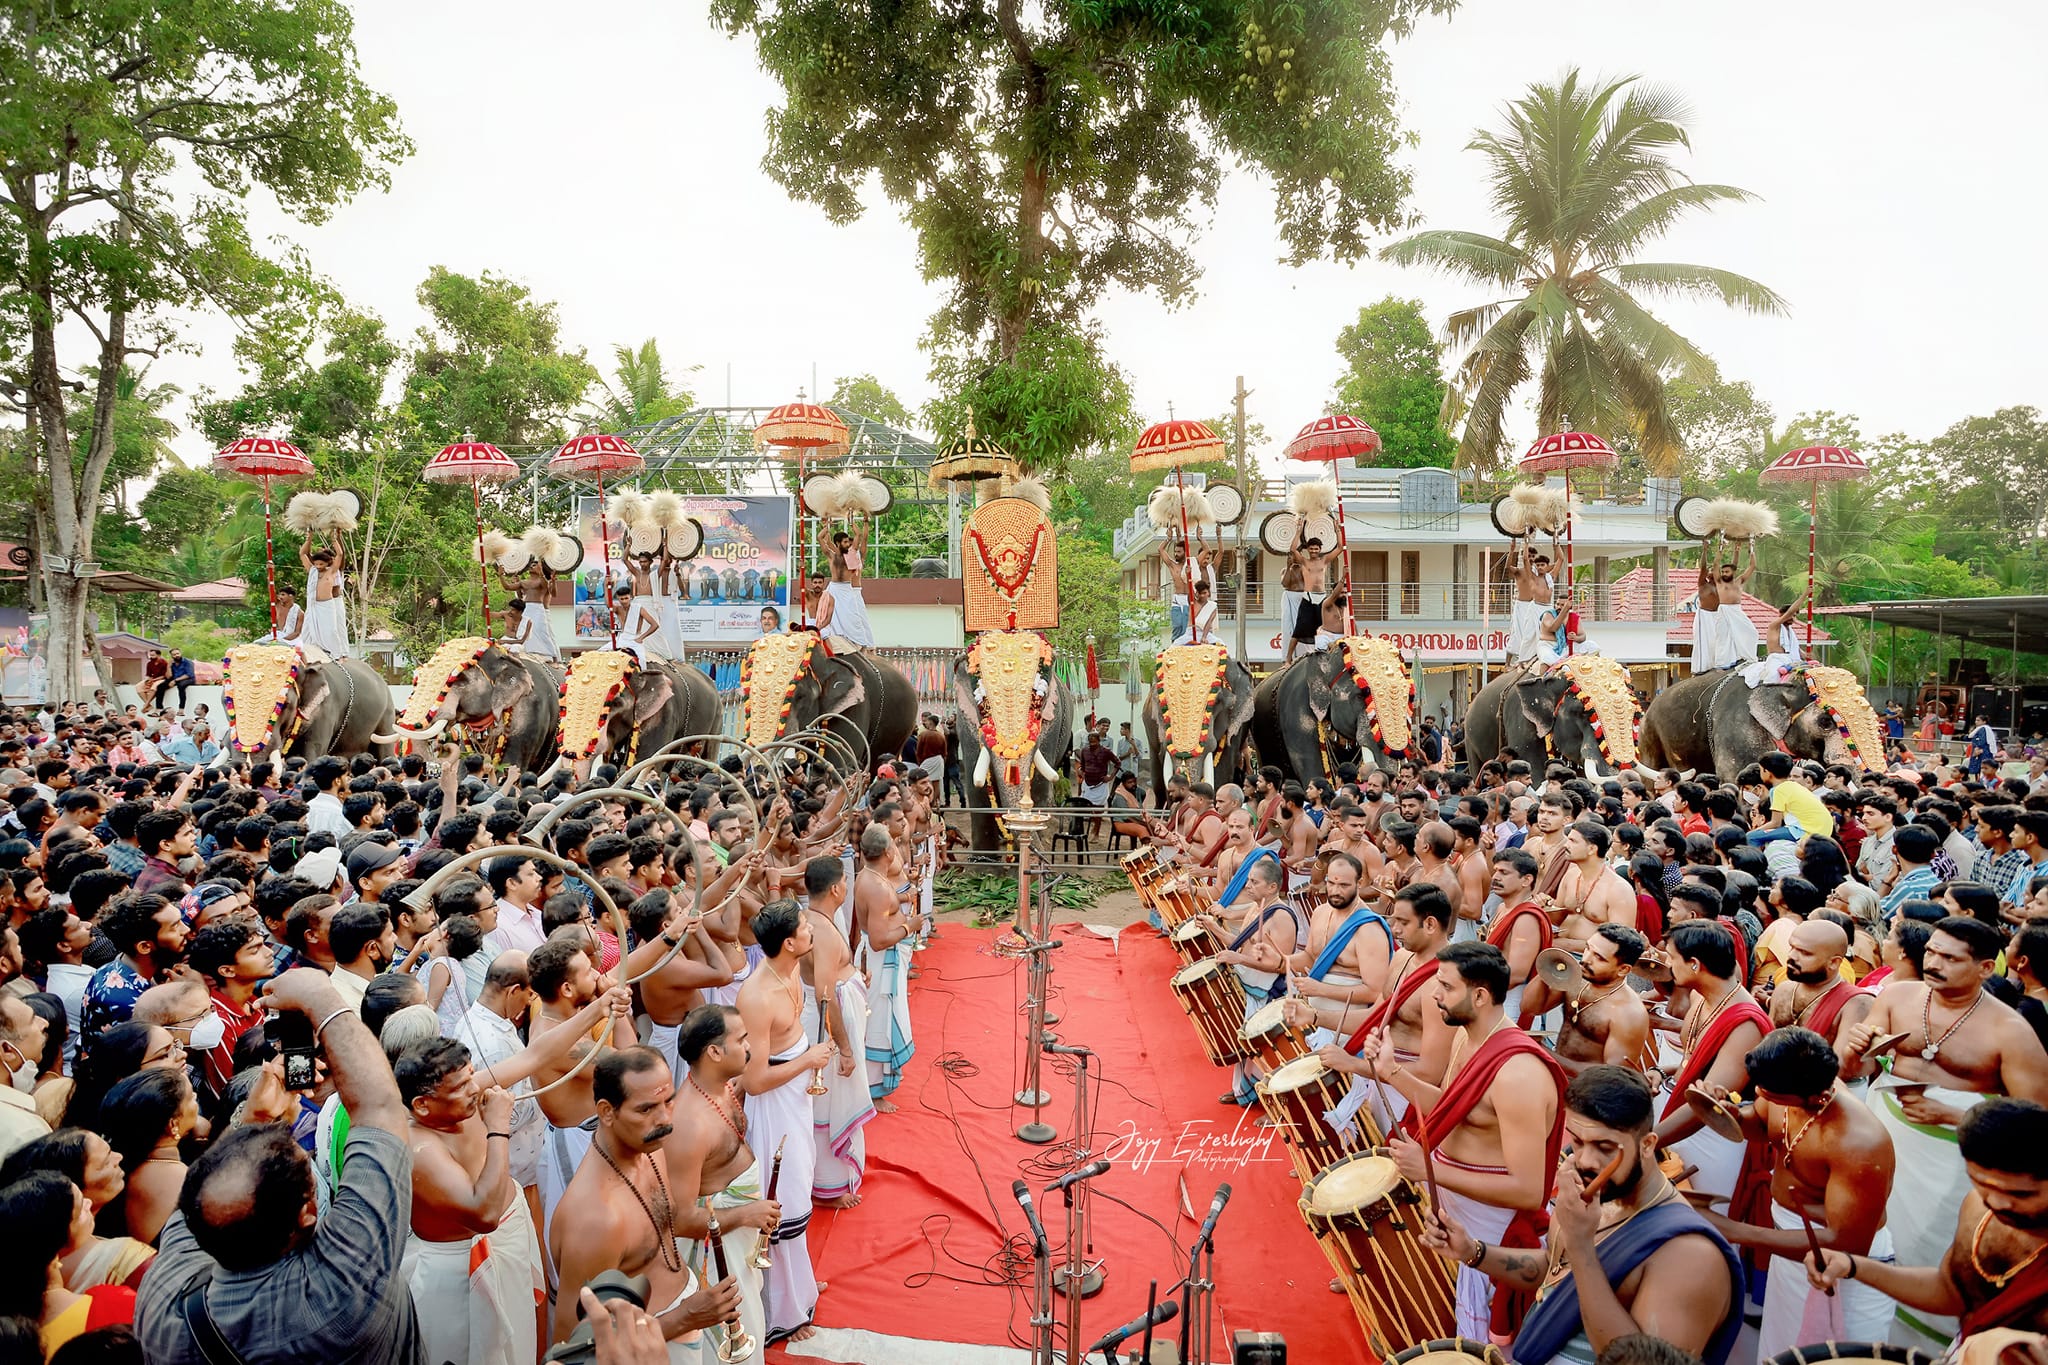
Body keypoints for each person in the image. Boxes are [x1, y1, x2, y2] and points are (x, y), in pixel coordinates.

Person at [134, 967, 421, 1365]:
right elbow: (381, 1110)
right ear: (306, 1213)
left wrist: (254, 1121)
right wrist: (322, 998)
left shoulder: (163, 1298)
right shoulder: (342, 1290)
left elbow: (214, 1185)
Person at [1423, 1066, 1744, 1365]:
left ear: (1647, 1145)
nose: (1585, 1160)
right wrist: (1473, 1251)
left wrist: (1581, 1247)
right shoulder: (1589, 1195)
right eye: (1577, 1141)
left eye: (1605, 1146)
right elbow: (1556, 1273)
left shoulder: (1690, 1256)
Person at [1839, 916, 2048, 1347]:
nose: (1933, 963)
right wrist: (1854, 1049)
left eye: (1949, 958)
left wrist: (1954, 1115)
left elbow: (2035, 1123)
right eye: (1931, 952)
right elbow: (1853, 1071)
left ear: (1985, 968)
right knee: (1870, 1233)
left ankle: (1916, 1347)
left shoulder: (2011, 1032)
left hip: (1950, 1164)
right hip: (1882, 1137)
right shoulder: (1897, 996)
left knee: (1927, 1247)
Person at [1366, 941, 1567, 1340]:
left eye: (1445, 986)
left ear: (1479, 996)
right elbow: (1456, 1108)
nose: (1435, 995)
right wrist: (1391, 1072)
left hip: (1490, 1232)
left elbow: (1529, 1191)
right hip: (1455, 1213)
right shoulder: (1468, 1036)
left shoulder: (1518, 1074)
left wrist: (1430, 1170)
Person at [1701, 1027, 1898, 1355]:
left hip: (1842, 1271)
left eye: (1768, 1091)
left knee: (1834, 1360)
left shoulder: (1857, 1142)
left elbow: (1847, 1244)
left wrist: (1737, 1231)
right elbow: (1761, 1126)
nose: (1759, 1093)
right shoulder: (1782, 1091)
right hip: (1790, 1251)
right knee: (1780, 1350)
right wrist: (1727, 1113)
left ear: (1814, 1095)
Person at [546, 1047, 739, 1357]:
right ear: (607, 1112)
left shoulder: (650, 1147)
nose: (664, 1118)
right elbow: (573, 1349)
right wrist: (684, 1318)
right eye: (646, 1109)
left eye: (669, 1101)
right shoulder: (597, 1220)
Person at [1806, 1097, 2048, 1338]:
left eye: (2021, 1194)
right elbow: (1949, 1292)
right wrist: (1852, 1265)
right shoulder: (1978, 1211)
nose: (1997, 1202)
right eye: (1982, 1183)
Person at [394, 1036, 542, 1365]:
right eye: (462, 1085)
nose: (474, 1088)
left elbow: (536, 1054)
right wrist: (499, 1126)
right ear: (422, 1105)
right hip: (456, 1278)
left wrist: (600, 1010)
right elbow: (485, 1214)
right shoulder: (420, 1147)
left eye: (472, 1075)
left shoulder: (461, 1097)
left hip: (505, 1250)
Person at [734, 901, 833, 1343]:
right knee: (784, 1201)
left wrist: (807, 1058)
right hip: (774, 1107)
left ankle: (803, 1287)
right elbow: (754, 1082)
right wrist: (809, 1058)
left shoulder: (791, 968)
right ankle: (783, 1316)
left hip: (797, 1097)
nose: (812, 929)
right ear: (788, 942)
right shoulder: (756, 996)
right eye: (805, 926)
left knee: (801, 1186)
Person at [662, 1004, 776, 1359]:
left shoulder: (723, 1088)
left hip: (739, 1240)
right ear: (714, 1052)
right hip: (716, 1251)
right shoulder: (688, 1124)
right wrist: (746, 1214)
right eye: (741, 1039)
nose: (749, 1046)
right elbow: (679, 1220)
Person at [1652, 920, 1770, 1213]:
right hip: (1678, 1122)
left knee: (1701, 1222)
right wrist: (1662, 1070)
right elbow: (1693, 1062)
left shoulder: (1745, 1024)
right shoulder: (1701, 997)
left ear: (1694, 964)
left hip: (1713, 1139)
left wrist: (1646, 1140)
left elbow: (1709, 1104)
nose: (1667, 964)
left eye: (1672, 957)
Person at [798, 858, 870, 1208]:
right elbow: (825, 994)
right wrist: (844, 1048)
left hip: (827, 1018)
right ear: (836, 889)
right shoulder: (821, 931)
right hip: (825, 1025)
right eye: (844, 880)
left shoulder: (815, 921)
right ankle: (827, 1187)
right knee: (828, 1099)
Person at [852, 826, 913, 1110]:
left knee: (878, 1020)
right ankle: (873, 1092)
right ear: (888, 852)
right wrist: (907, 926)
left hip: (879, 959)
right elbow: (877, 941)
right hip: (879, 960)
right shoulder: (875, 886)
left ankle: (874, 1086)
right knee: (877, 1023)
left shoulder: (870, 876)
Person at [1553, 924, 1652, 1076]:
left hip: (1586, 1094)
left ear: (1623, 969)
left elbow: (1610, 1075)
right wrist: (1547, 966)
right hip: (1553, 1080)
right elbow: (1531, 1008)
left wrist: (1547, 1055)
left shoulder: (1629, 1013)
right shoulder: (1579, 979)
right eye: (1587, 948)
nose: (1585, 959)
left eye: (1599, 957)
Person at [1283, 529, 1344, 665]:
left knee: (1324, 630)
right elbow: (1293, 549)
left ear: (1320, 549)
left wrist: (1337, 529)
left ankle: (1326, 658)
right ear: (1308, 550)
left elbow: (1340, 547)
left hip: (1322, 599)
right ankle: (1287, 659)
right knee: (1298, 631)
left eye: (1316, 549)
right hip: (1308, 598)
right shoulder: (1304, 561)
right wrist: (1298, 529)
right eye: (1311, 549)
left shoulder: (1325, 560)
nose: (1314, 551)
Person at [819, 525, 874, 653]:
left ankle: (861, 645)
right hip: (833, 588)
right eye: (845, 542)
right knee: (829, 617)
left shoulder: (852, 555)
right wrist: (827, 526)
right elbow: (821, 538)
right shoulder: (831, 556)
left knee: (853, 618)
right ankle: (832, 645)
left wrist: (852, 523)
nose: (848, 544)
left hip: (847, 589)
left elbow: (859, 536)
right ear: (838, 543)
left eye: (849, 542)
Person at [298, 530, 352, 658]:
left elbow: (340, 554)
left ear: (327, 563)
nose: (318, 566)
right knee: (308, 631)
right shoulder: (312, 571)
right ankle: (309, 654)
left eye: (321, 564)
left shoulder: (332, 571)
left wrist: (334, 539)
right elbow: (302, 553)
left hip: (327, 605)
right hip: (313, 606)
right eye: (316, 563)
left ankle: (337, 655)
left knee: (331, 631)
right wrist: (309, 538)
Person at [1507, 539, 1556, 665]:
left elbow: (1556, 563)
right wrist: (1512, 550)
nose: (1530, 558)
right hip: (1521, 605)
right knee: (1518, 634)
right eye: (1528, 556)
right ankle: (1508, 663)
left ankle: (1534, 658)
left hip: (1536, 606)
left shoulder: (1541, 574)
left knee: (1536, 634)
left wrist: (1556, 544)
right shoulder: (1520, 572)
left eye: (1532, 556)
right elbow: (1508, 567)